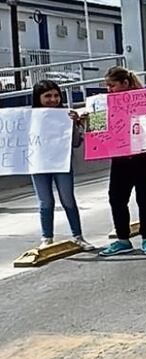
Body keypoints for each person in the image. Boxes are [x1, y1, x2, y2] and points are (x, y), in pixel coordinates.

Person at [98, 66, 146, 257]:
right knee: (116, 197)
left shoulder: (143, 100)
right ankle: (123, 239)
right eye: (107, 86)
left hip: (143, 156)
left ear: (125, 83)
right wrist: (87, 121)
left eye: (112, 85)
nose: (109, 90)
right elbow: (99, 129)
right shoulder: (106, 104)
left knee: (145, 198)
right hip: (120, 158)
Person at [29, 80, 94, 251]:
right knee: (45, 202)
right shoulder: (30, 117)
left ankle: (78, 236)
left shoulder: (66, 115)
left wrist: (75, 124)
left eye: (56, 95)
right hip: (39, 164)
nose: (53, 99)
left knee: (68, 199)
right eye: (47, 96)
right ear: (38, 98)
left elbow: (75, 143)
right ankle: (47, 238)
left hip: (62, 164)